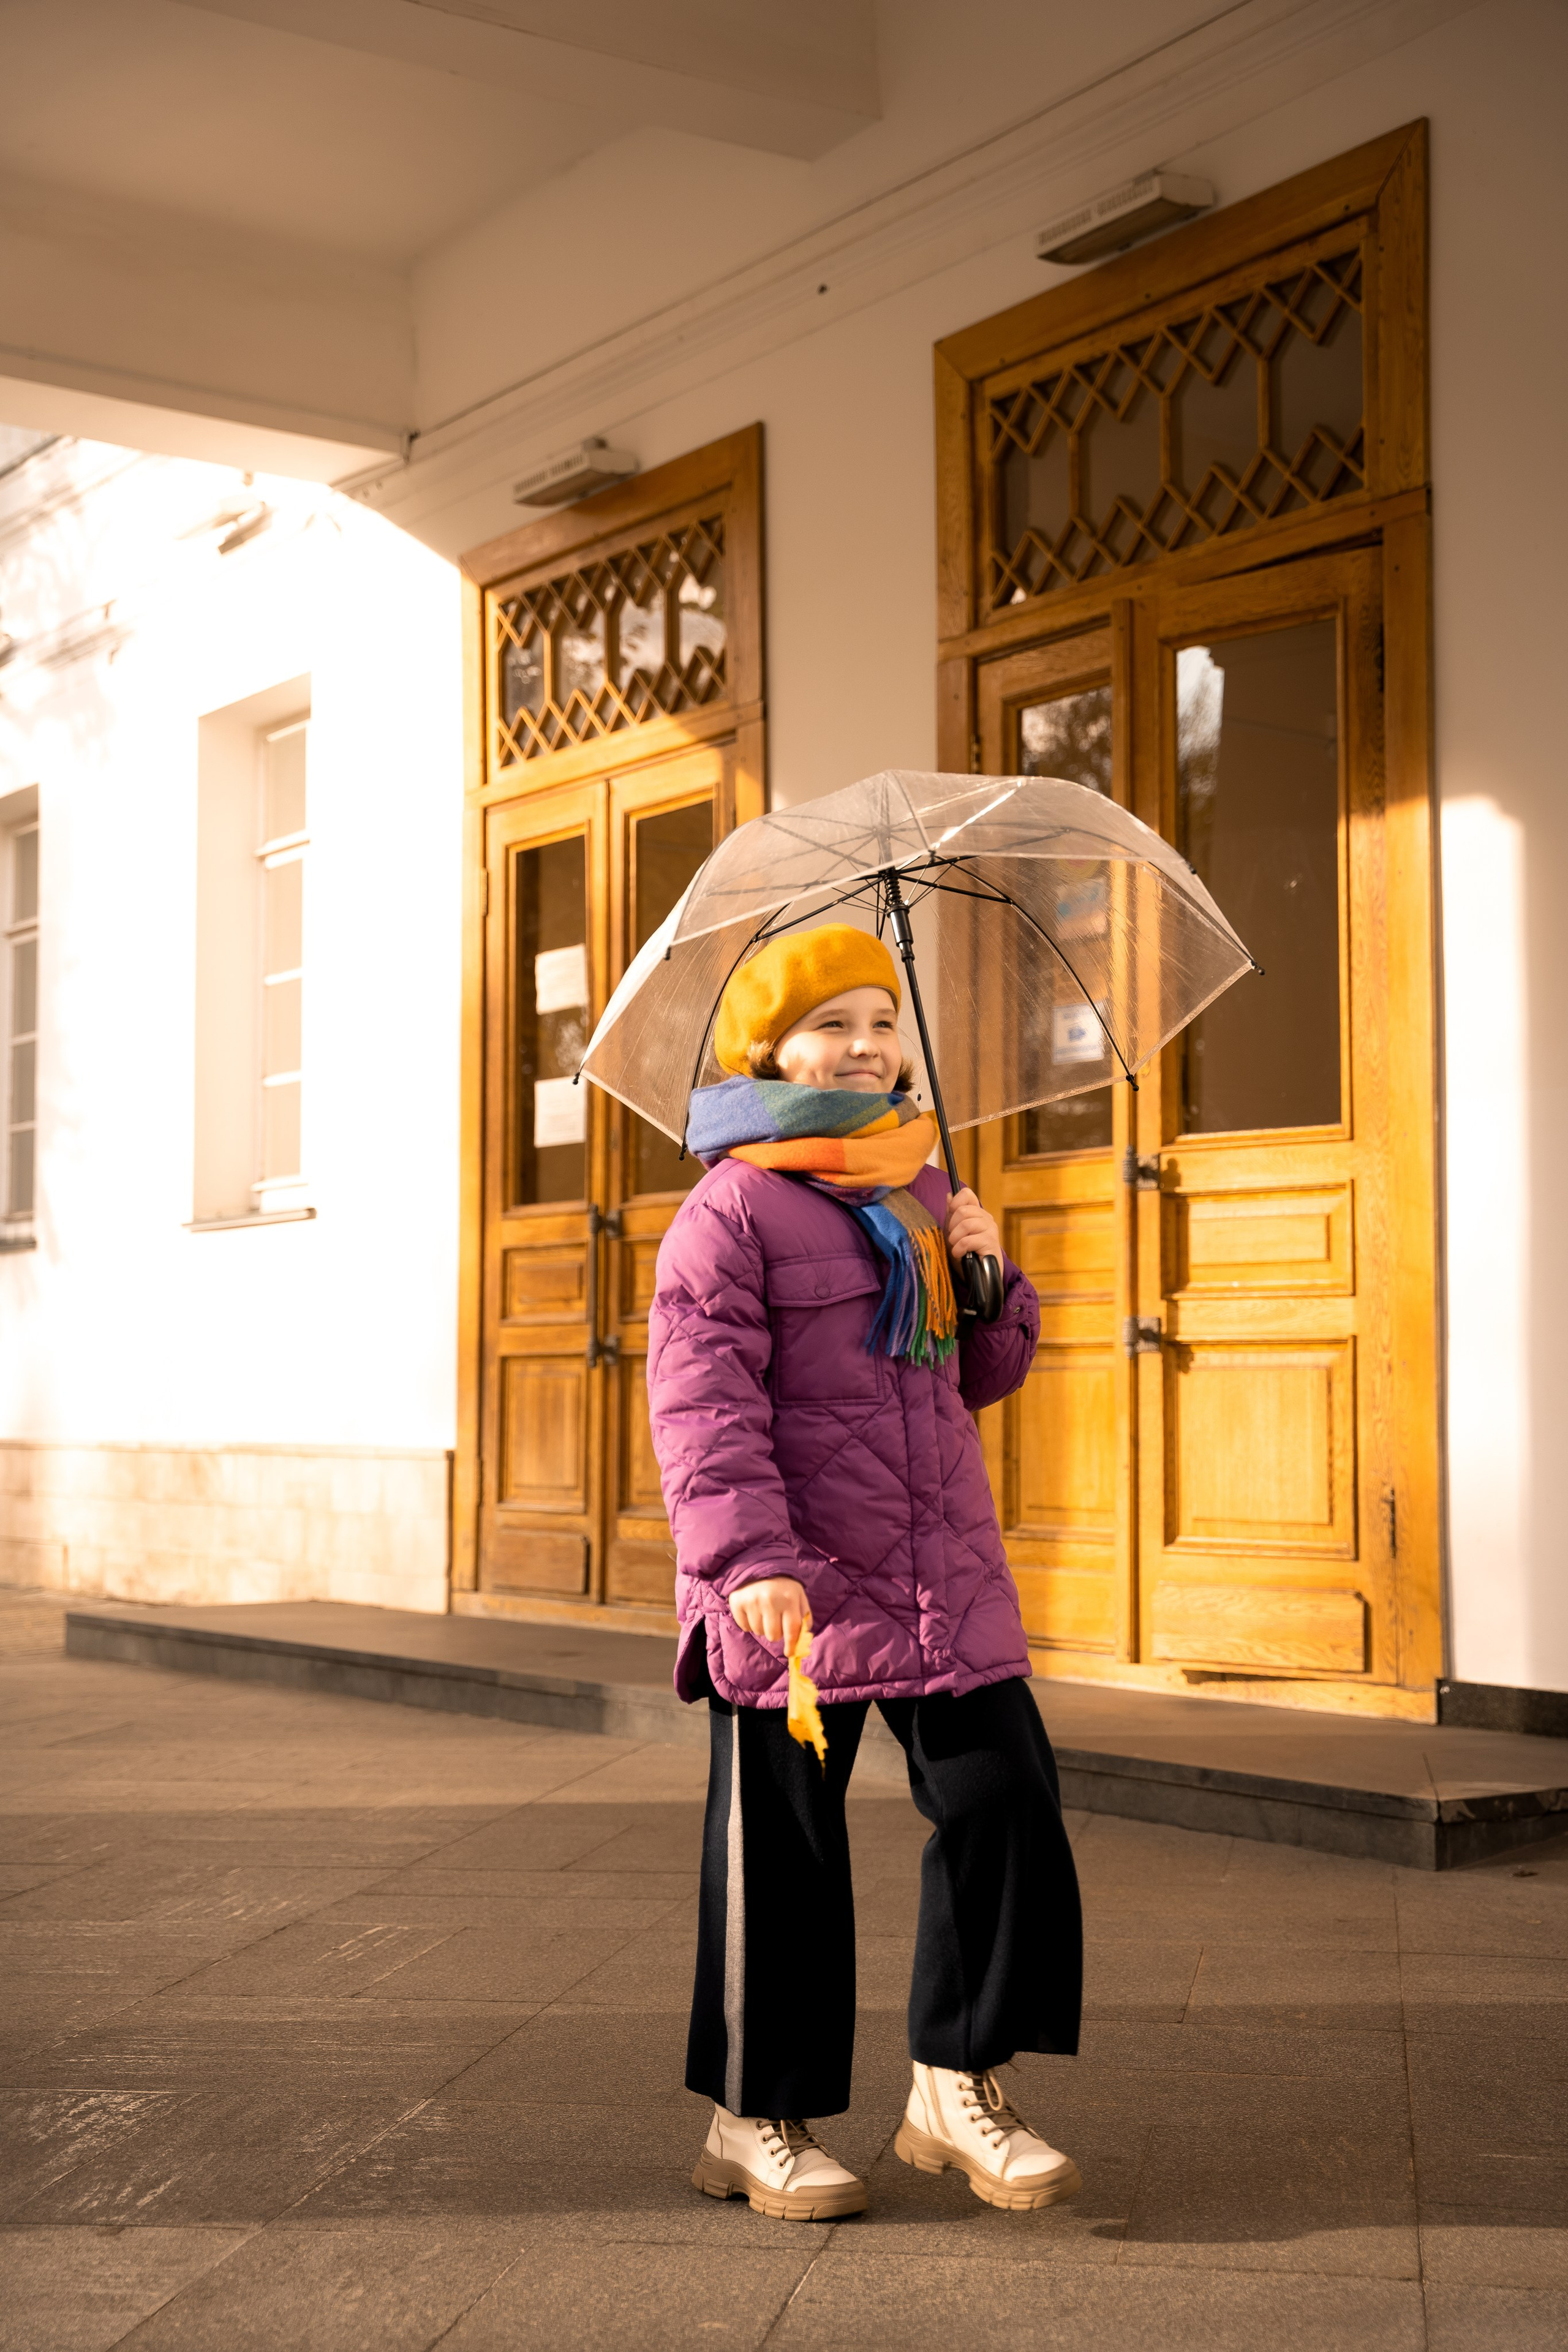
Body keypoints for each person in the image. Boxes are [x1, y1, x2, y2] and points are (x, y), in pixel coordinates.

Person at [646, 922, 1083, 2223]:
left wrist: (987, 1272)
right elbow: (700, 1406)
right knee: (780, 1855)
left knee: (1004, 1802)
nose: (865, 1045)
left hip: (935, 1572)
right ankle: (751, 2115)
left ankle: (953, 2084)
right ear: (768, 1048)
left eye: (881, 1022)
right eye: (832, 1023)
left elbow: (975, 1380)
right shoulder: (729, 1208)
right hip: (790, 1584)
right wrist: (745, 1564)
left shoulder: (914, 1190)